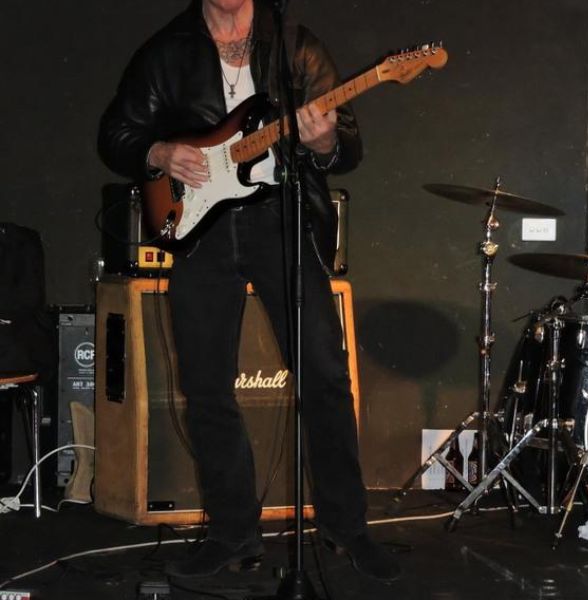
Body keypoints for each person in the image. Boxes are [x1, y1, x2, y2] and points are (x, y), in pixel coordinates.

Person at [98, 0, 401, 582]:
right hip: (201, 229)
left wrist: (323, 142)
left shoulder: (294, 45)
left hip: (282, 219)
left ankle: (347, 527)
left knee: (325, 377)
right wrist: (158, 152)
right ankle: (231, 534)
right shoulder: (167, 51)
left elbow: (349, 147)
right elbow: (115, 135)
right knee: (206, 386)